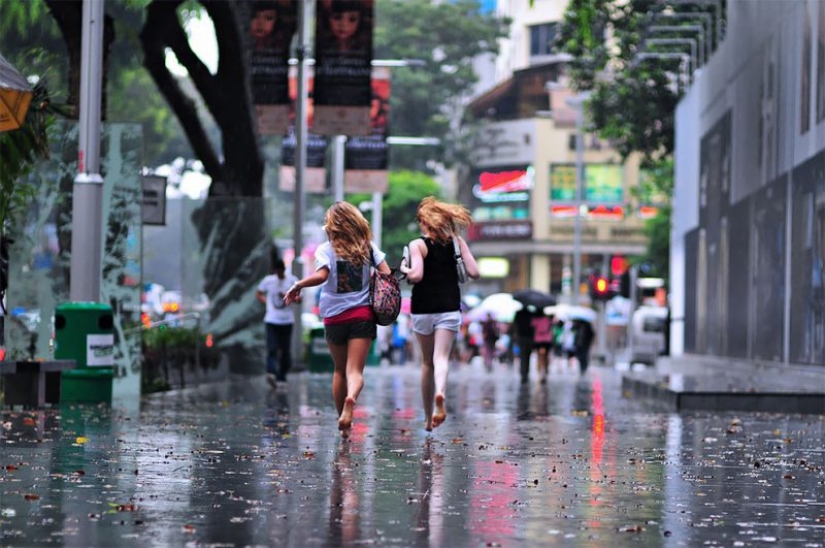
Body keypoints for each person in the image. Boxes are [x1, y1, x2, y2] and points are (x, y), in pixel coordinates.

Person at [284, 201, 391, 438]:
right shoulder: (368, 247)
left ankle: (344, 424)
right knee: (355, 372)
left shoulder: (326, 249)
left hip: (334, 317)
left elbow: (321, 276)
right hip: (362, 315)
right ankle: (351, 398)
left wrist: (299, 284)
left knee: (339, 371)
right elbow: (386, 274)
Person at [399, 197, 479, 431]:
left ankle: (427, 419)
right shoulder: (457, 242)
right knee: (441, 358)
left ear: (424, 223)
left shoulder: (417, 245)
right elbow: (475, 272)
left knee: (427, 363)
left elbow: (416, 276)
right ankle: (440, 393)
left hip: (423, 308)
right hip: (449, 307)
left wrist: (404, 268)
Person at [256, 258, 299, 387]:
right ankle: (271, 373)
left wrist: (288, 296)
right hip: (272, 320)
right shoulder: (269, 280)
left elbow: (299, 299)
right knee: (272, 348)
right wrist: (266, 303)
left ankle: (282, 376)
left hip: (286, 321)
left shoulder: (292, 280)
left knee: (285, 351)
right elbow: (259, 293)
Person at [512, 305, 535, 383]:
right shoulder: (531, 314)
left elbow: (515, 325)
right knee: (527, 356)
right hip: (528, 338)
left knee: (523, 356)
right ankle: (525, 372)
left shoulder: (518, 313)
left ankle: (523, 373)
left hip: (522, 337)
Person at [531, 311, 554, 383]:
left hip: (538, 341)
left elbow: (532, 326)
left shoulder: (535, 320)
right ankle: (546, 369)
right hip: (547, 340)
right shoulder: (547, 320)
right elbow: (550, 327)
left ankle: (540, 372)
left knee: (539, 357)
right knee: (546, 356)